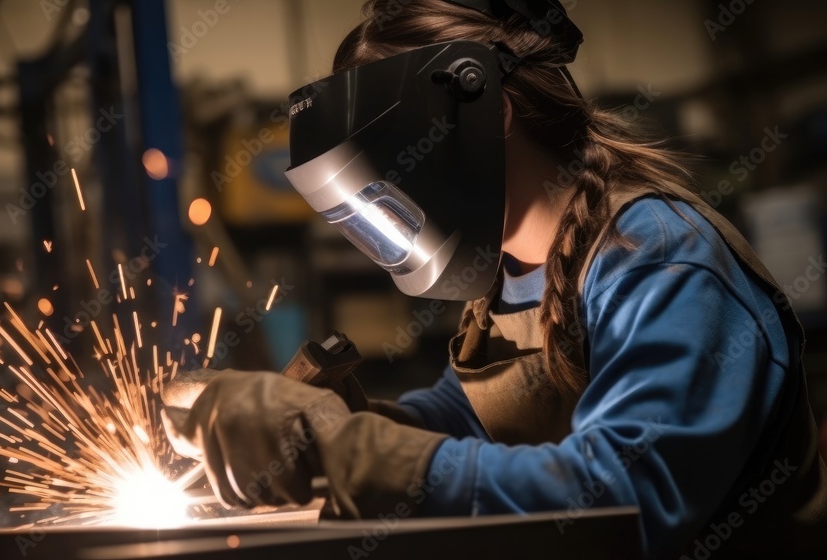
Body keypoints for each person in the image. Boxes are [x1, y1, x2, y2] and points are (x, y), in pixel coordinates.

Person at [162, 1, 827, 558]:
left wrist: (346, 446)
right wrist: (313, 433)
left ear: (487, 110)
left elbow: (625, 499)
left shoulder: (659, 259)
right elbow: (468, 423)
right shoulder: (506, 270)